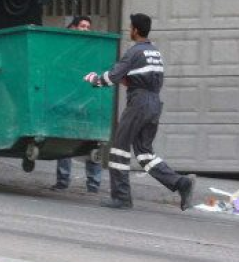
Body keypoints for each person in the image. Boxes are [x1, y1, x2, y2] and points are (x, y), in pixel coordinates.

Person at [83, 13, 194, 210]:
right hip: (153, 103)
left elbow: (112, 77)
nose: (129, 30)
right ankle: (180, 183)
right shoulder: (155, 53)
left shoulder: (135, 52)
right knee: (144, 154)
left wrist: (94, 79)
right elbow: (142, 77)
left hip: (139, 103)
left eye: (130, 27)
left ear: (135, 30)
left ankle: (122, 197)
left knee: (119, 148)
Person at [50, 15, 102, 193]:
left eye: (88, 27)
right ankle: (63, 181)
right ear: (73, 28)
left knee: (92, 141)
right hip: (69, 98)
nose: (86, 30)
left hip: (87, 99)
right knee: (65, 139)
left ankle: (93, 185)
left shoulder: (92, 49)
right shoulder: (66, 48)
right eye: (82, 26)